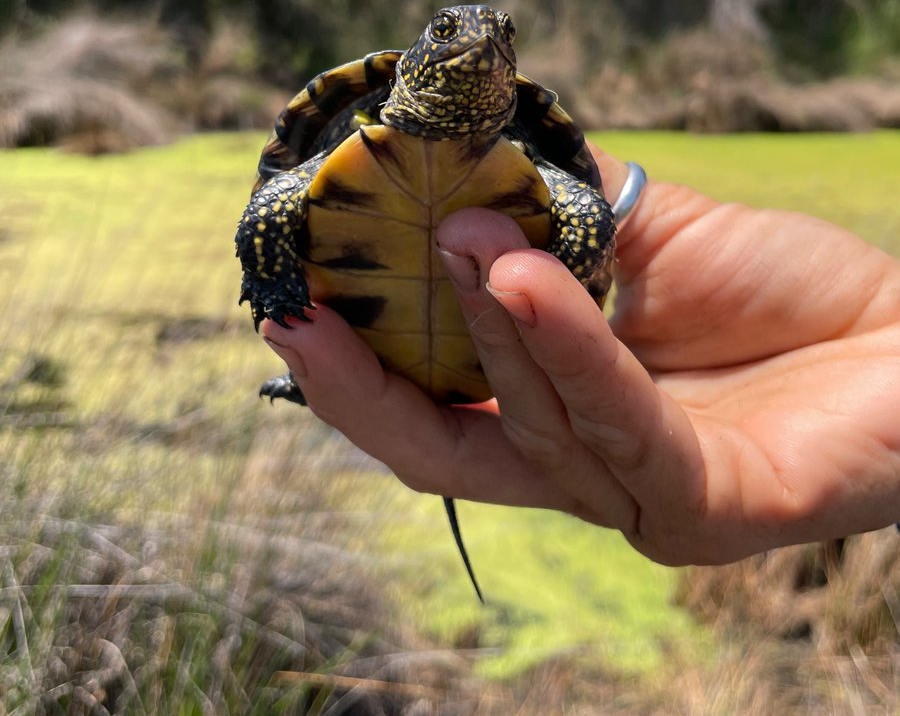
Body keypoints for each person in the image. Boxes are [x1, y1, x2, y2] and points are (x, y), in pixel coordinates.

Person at [261, 147, 900, 567]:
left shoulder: (532, 162)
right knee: (317, 326)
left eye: (502, 37)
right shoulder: (344, 145)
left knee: (546, 261)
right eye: (452, 32)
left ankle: (311, 368)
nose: (482, 41)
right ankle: (309, 367)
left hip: (503, 326)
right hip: (386, 322)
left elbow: (580, 207)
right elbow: (277, 195)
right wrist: (273, 291)